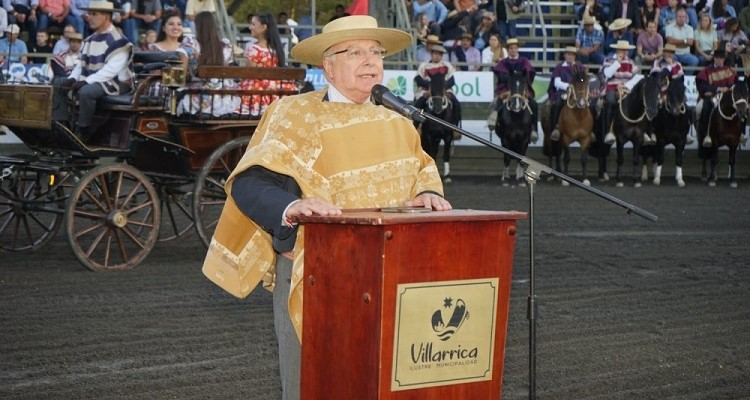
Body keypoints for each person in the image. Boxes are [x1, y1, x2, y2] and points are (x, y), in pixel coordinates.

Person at [201, 15, 451, 400]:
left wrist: (429, 193)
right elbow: (249, 184)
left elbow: (423, 170)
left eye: (375, 52)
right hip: (316, 272)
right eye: (355, 52)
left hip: (390, 276)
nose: (370, 60)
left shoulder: (398, 123)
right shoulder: (292, 115)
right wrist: (293, 205)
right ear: (328, 66)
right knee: (311, 386)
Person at [51, 0, 133, 141]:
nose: (89, 17)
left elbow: (110, 71)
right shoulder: (89, 39)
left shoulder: (120, 41)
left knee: (86, 92)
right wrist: (73, 78)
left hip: (115, 84)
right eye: (89, 13)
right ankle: (61, 126)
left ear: (106, 17)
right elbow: (81, 65)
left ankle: (83, 131)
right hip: (94, 81)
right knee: (58, 83)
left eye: (94, 14)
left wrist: (85, 82)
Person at [238, 11, 294, 117]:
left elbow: (250, 73)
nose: (250, 27)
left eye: (253, 24)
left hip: (257, 96)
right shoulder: (277, 50)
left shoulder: (253, 49)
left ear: (263, 27)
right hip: (275, 94)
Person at [492, 37, 539, 142]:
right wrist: (516, 75)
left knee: (534, 104)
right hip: (506, 89)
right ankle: (494, 121)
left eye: (515, 48)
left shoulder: (524, 61)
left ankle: (534, 129)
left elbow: (528, 74)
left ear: (518, 49)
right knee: (498, 101)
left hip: (521, 89)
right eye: (511, 48)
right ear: (508, 50)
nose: (513, 50)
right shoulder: (503, 62)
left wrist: (518, 79)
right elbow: (501, 76)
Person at [600, 39, 641, 145]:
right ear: (617, 50)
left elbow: (637, 77)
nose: (624, 52)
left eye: (626, 50)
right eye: (622, 50)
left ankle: (644, 131)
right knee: (610, 101)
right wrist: (617, 63)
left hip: (627, 89)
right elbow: (607, 74)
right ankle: (608, 131)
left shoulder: (631, 62)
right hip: (611, 88)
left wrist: (625, 86)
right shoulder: (609, 60)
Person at [695, 48, 737, 147]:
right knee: (701, 109)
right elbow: (703, 86)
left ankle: (740, 133)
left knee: (740, 108)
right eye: (717, 58)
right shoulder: (707, 70)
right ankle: (706, 135)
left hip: (726, 98)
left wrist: (722, 89)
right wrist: (718, 89)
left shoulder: (728, 70)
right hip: (710, 98)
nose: (719, 60)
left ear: (724, 59)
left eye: (721, 58)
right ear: (714, 58)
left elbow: (732, 84)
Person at [548, 46, 589, 141]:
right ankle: (556, 128)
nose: (570, 57)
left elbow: (583, 79)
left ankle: (590, 130)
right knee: (557, 104)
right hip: (563, 91)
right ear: (565, 55)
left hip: (578, 92)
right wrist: (569, 86)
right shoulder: (559, 68)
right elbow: (557, 82)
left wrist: (580, 84)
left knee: (589, 104)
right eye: (568, 54)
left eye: (572, 55)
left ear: (575, 56)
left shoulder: (580, 67)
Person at [415, 43, 461, 119]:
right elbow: (418, 79)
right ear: (431, 54)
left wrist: (441, 89)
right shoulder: (424, 65)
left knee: (456, 104)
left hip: (444, 91)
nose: (437, 56)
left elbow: (451, 81)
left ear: (442, 55)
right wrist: (431, 88)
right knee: (418, 104)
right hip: (427, 91)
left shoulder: (447, 65)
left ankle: (455, 126)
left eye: (440, 54)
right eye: (435, 53)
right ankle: (416, 125)